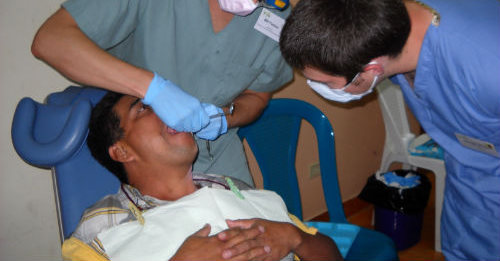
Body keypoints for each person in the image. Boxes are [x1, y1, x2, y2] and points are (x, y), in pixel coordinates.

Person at [31, 0, 316, 186]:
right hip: (148, 162)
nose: (254, 3)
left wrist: (224, 118)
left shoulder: (276, 18)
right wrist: (153, 89)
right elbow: (51, 40)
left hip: (219, 158)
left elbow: (257, 97)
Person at [279, 0, 500, 261]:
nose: (322, 90)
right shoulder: (377, 22)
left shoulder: (487, 69)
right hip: (470, 181)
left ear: (370, 71)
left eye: (327, 83)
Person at [61, 91, 342, 261]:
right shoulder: (104, 223)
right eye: (144, 108)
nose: (171, 111)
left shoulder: (238, 191)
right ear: (121, 151)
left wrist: (296, 239)